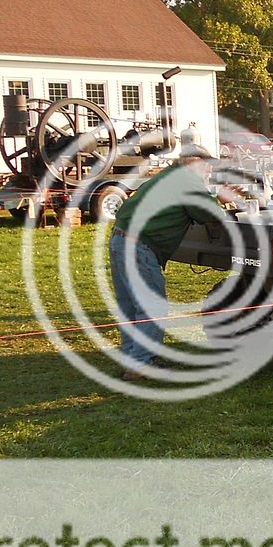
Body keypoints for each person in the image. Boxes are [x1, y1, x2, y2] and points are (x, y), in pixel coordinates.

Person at [109, 145, 230, 381]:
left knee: (130, 306)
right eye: (206, 166)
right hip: (139, 245)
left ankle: (133, 357)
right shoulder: (187, 181)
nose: (208, 171)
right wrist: (222, 201)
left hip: (120, 238)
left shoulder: (168, 177)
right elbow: (211, 214)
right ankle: (140, 364)